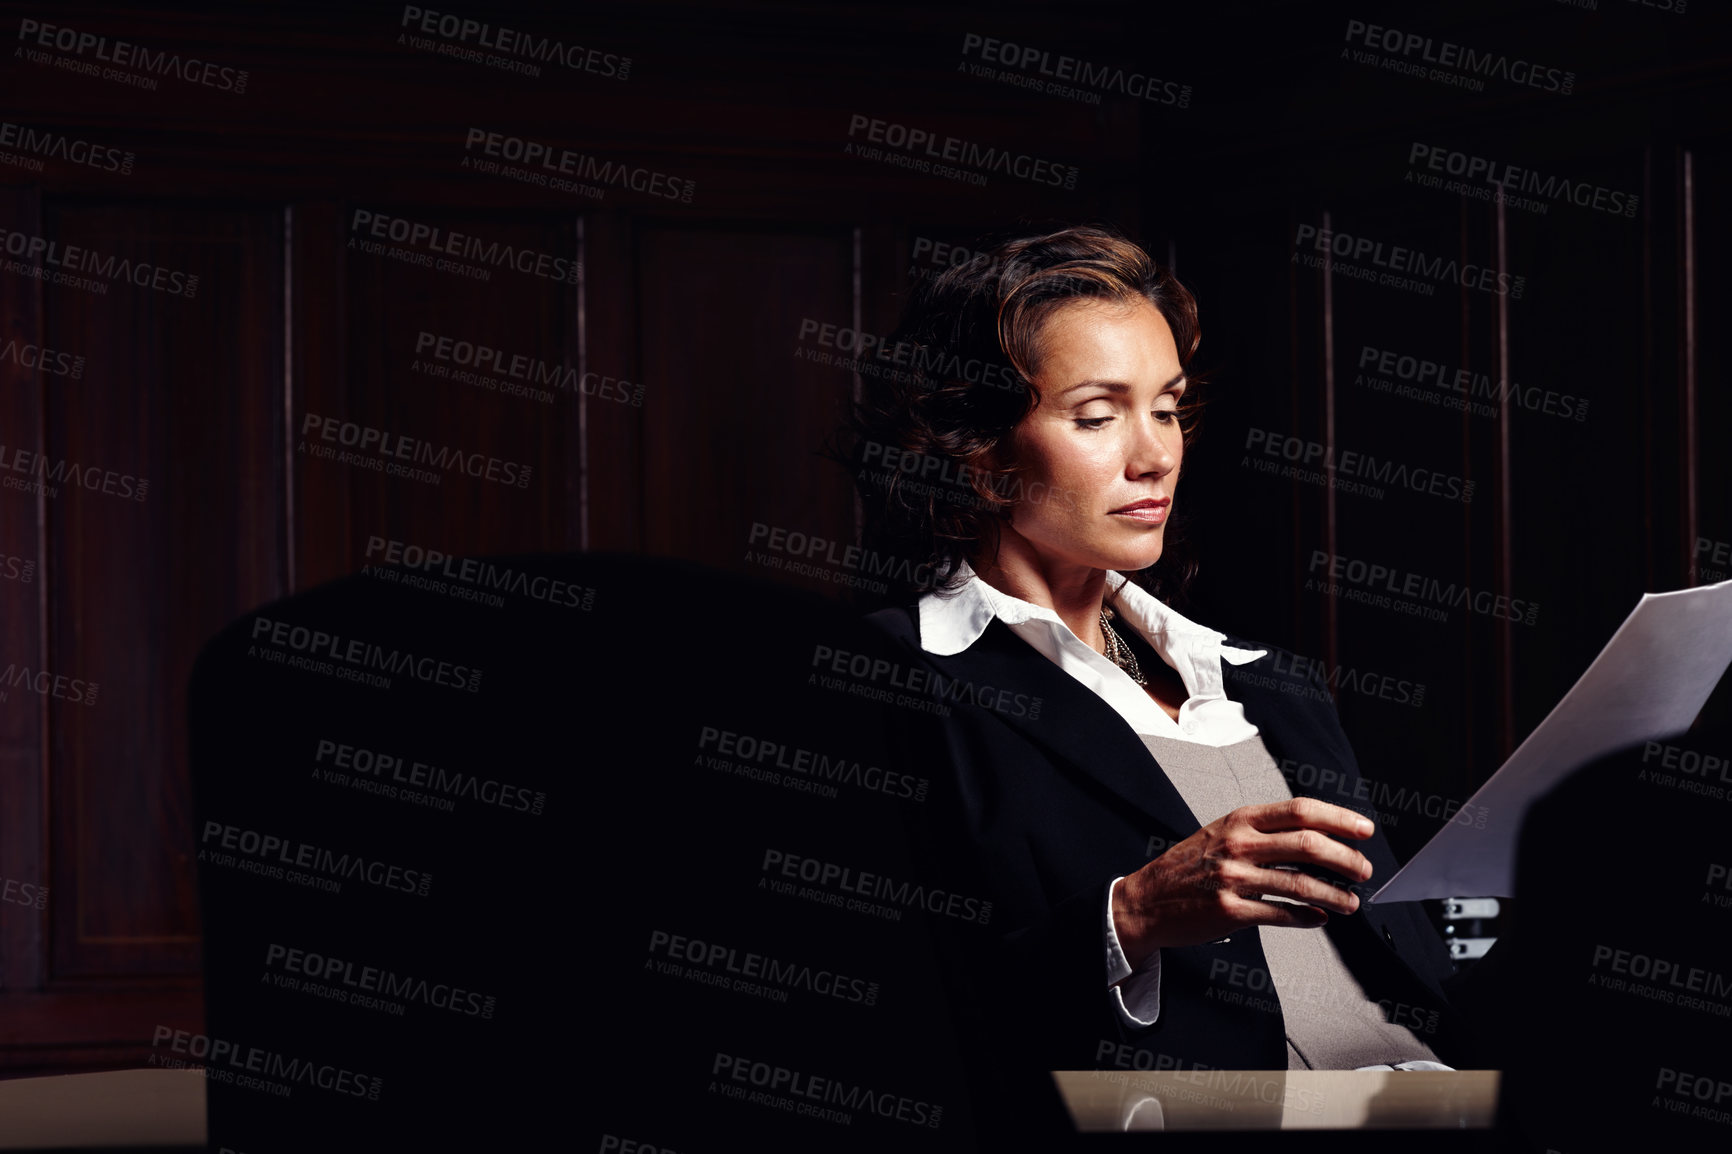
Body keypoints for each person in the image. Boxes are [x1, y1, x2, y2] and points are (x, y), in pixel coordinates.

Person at [841, 224, 1468, 1134]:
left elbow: (1411, 957)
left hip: (1433, 1101)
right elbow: (899, 1015)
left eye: (1167, 408)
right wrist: (1129, 914)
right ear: (979, 448)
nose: (1155, 455)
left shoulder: (1270, 683)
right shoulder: (894, 681)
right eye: (1098, 416)